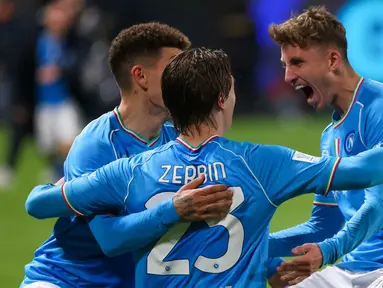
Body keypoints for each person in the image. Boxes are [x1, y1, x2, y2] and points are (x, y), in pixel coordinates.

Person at [24, 47, 383, 287]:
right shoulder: (262, 162)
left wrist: (70, 185)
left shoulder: (130, 171)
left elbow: (36, 204)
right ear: (223, 97)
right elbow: (363, 172)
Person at [21, 23, 233, 288]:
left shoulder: (179, 142)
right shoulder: (98, 143)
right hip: (67, 281)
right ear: (141, 77)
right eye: (175, 68)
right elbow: (110, 240)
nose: (186, 77)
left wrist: (271, 264)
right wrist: (174, 210)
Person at [267, 6, 383, 287]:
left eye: (297, 63)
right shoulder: (329, 137)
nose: (288, 77)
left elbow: (379, 203)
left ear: (332, 59)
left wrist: (328, 251)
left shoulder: (378, 108)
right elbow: (324, 224)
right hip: (349, 270)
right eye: (285, 66)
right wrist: (252, 246)